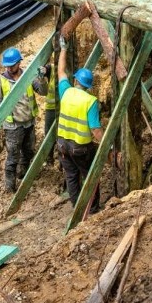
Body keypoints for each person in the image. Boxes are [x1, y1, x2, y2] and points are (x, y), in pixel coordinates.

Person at [55, 34, 103, 213]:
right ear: (88, 86)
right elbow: (95, 130)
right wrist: (109, 145)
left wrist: (64, 49)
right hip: (81, 148)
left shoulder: (66, 92)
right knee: (91, 177)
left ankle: (76, 207)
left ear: (75, 81)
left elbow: (61, 71)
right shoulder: (90, 101)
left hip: (62, 145)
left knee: (72, 177)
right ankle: (93, 210)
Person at [0, 47, 49, 193]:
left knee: (28, 151)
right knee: (12, 157)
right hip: (13, 127)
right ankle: (10, 188)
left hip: (29, 123)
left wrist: (42, 78)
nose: (9, 68)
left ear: (19, 63)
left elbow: (43, 92)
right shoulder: (1, 82)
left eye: (12, 65)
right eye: (7, 65)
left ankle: (23, 174)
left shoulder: (28, 76)